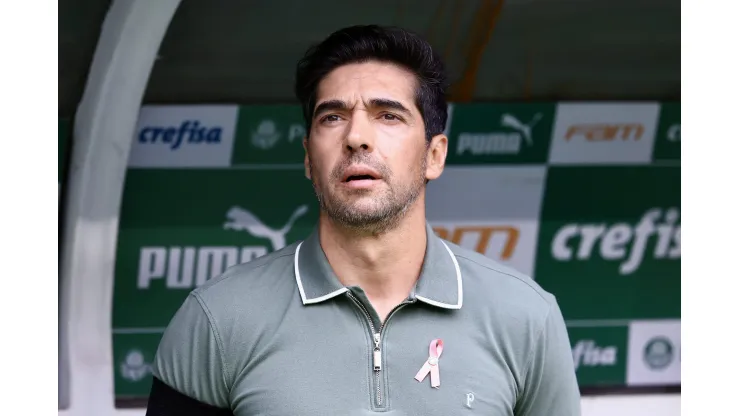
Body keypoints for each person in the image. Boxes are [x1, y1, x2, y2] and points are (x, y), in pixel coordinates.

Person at [145, 24, 581, 416]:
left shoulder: (525, 317)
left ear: (434, 155)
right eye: (332, 117)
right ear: (308, 160)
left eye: (388, 115)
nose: (356, 137)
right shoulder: (218, 318)